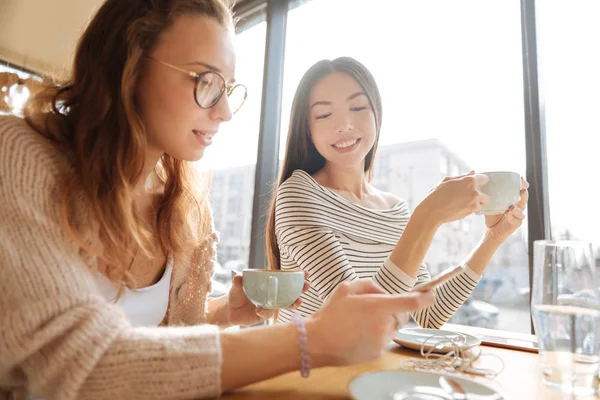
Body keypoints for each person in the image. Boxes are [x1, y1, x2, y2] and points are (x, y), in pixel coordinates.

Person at [0, 2, 435, 399]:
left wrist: (224, 311)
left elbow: (164, 346)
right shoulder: (19, 153)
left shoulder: (186, 202)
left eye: (228, 88)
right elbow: (71, 365)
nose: (225, 111)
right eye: (206, 82)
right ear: (128, 65)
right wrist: (309, 340)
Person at [266, 57, 529, 326]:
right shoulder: (298, 195)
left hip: (371, 367)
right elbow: (360, 320)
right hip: (304, 366)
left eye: (357, 107)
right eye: (323, 114)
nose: (344, 124)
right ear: (307, 129)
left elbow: (429, 313)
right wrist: (428, 216)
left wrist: (493, 237)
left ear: (376, 115)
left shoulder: (394, 208)